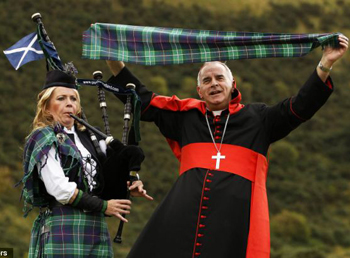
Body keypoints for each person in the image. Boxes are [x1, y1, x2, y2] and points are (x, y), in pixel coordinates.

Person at [105, 35, 348, 258]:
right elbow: (140, 99)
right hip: (183, 215)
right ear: (199, 90)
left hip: (237, 219)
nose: (214, 84)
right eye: (207, 80)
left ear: (233, 84)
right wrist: (112, 57)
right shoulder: (185, 117)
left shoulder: (259, 118)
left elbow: (300, 106)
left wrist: (325, 62)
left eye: (220, 78)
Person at [20, 69, 153, 258]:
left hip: (96, 225)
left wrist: (131, 181)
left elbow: (112, 166)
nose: (69, 104)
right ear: (47, 107)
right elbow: (60, 189)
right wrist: (105, 206)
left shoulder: (90, 136)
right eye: (61, 99)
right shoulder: (44, 137)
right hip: (63, 225)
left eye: (73, 99)